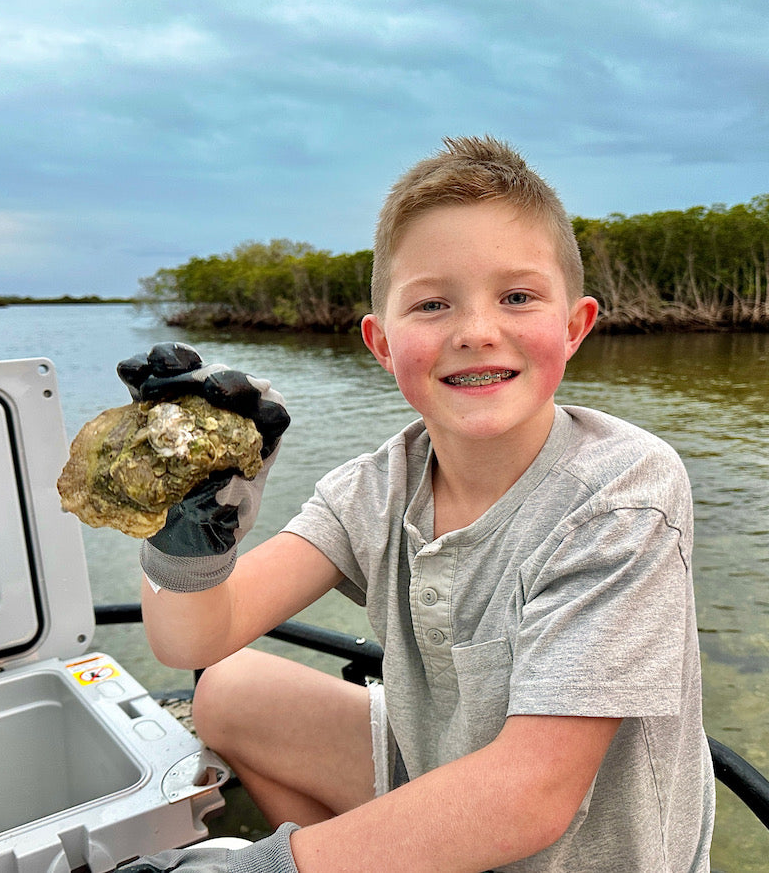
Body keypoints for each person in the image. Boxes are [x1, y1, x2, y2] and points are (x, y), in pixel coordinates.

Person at [117, 136, 715, 872]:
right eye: (432, 304)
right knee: (230, 689)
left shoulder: (625, 494)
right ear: (381, 343)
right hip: (439, 763)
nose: (475, 331)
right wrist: (190, 533)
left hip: (584, 850)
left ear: (575, 325)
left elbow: (532, 793)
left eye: (517, 297)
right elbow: (193, 641)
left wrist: (263, 868)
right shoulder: (377, 486)